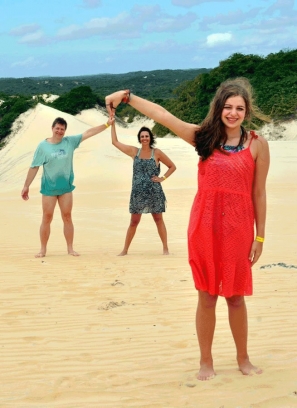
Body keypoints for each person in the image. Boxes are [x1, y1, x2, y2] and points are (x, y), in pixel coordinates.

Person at [105, 78, 270, 380]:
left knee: (235, 296)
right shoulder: (203, 138)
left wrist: (260, 236)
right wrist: (127, 97)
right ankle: (205, 361)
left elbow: (259, 193)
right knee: (206, 295)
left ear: (246, 112)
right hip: (205, 226)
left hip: (239, 228)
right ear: (219, 107)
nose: (233, 113)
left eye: (240, 108)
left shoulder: (258, 144)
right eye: (228, 107)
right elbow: (164, 116)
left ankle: (243, 359)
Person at [21, 116, 114, 258]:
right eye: (57, 128)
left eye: (62, 129)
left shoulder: (69, 142)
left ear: (65, 131)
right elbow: (34, 167)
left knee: (67, 217)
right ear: (52, 128)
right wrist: (26, 185)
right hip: (49, 189)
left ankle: (70, 248)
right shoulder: (43, 146)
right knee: (47, 217)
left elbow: (88, 133)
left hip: (66, 188)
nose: (59, 131)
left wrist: (107, 124)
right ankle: (43, 249)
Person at [110, 121, 176, 255]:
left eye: (146, 136)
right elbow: (115, 142)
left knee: (158, 219)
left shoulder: (156, 153)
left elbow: (172, 166)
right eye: (142, 136)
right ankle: (125, 250)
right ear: (139, 139)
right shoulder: (134, 151)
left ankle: (165, 248)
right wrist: (112, 124)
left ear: (150, 138)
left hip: (154, 192)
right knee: (134, 221)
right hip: (138, 193)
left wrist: (162, 178)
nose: (144, 138)